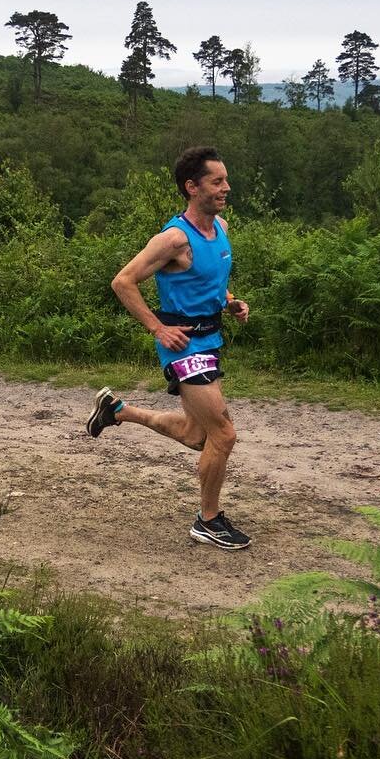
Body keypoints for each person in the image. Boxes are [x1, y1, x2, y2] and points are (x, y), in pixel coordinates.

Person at [86, 146, 252, 550]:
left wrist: (229, 301)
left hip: (209, 339)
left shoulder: (222, 228)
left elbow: (209, 281)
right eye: (217, 181)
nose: (226, 188)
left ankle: (119, 411)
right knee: (224, 435)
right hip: (183, 345)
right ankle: (208, 520)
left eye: (225, 180)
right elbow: (122, 281)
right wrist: (158, 329)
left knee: (199, 437)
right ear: (191, 187)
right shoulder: (173, 239)